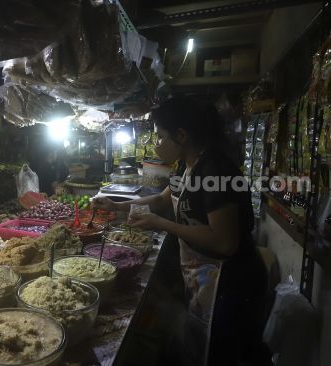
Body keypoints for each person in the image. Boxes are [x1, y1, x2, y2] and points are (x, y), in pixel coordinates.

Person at [94, 97, 270, 366]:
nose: (157, 144)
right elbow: (162, 200)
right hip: (205, 275)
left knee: (223, 354)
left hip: (230, 282)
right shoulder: (188, 164)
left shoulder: (215, 169)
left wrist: (161, 224)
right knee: (202, 347)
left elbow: (224, 241)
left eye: (161, 136)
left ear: (181, 135)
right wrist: (117, 205)